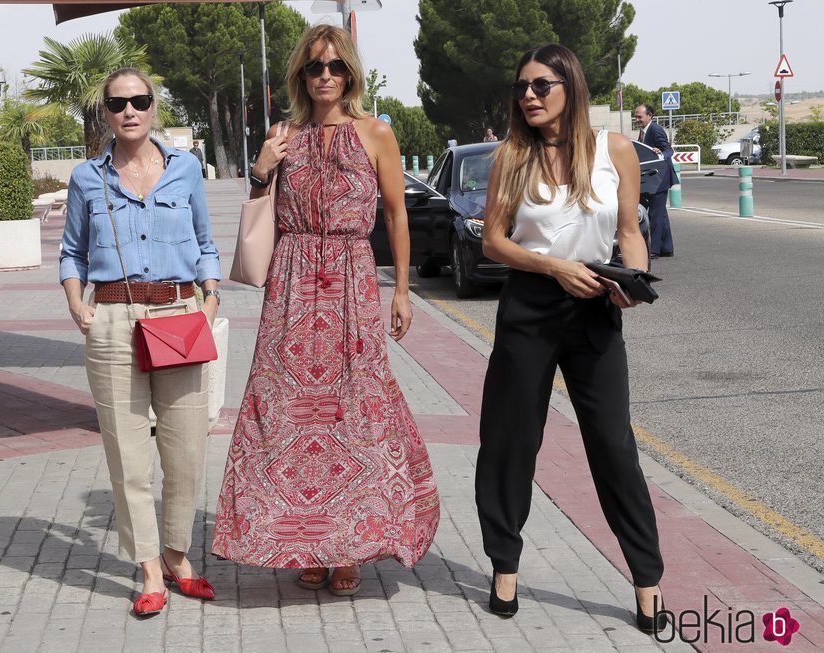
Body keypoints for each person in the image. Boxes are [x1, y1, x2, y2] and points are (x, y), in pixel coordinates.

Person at [212, 24, 440, 596]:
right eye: (315, 67)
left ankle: (349, 544)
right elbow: (260, 208)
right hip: (290, 283)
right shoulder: (283, 134)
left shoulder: (376, 133)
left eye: (336, 66)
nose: (325, 76)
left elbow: (395, 215)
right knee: (287, 413)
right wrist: (263, 166)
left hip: (352, 281)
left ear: (351, 74)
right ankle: (305, 542)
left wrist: (403, 290)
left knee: (353, 411)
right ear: (300, 75)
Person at [475, 44, 667, 634]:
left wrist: (632, 280)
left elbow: (632, 233)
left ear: (571, 87)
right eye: (521, 87)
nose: (528, 96)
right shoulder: (512, 155)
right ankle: (504, 569)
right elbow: (493, 241)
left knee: (613, 445)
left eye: (541, 85)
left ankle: (647, 581)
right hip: (530, 307)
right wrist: (553, 268)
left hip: (594, 310)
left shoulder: (616, 152)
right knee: (510, 441)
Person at [60, 68, 220, 617]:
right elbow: (72, 252)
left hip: (179, 315)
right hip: (111, 322)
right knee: (127, 458)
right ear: (104, 111)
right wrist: (76, 302)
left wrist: (211, 294)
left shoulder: (187, 171)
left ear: (155, 107)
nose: (129, 110)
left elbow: (204, 241)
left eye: (140, 100)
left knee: (186, 449)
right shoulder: (87, 177)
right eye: (117, 102)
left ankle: (178, 555)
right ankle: (149, 568)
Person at [634, 104, 675, 258]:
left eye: (640, 116)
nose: (637, 119)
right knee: (661, 214)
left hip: (660, 177)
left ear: (649, 116)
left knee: (656, 214)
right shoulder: (643, 131)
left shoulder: (655, 129)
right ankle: (666, 248)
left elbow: (668, 150)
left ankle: (654, 250)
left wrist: (660, 153)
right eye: (636, 116)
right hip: (652, 177)